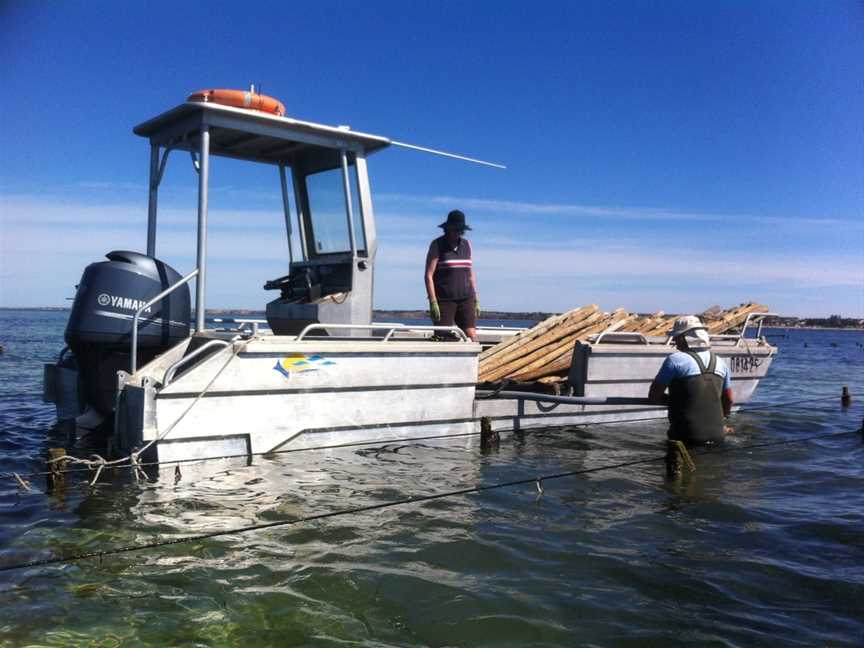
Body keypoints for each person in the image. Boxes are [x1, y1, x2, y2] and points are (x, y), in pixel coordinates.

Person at [648, 315, 734, 445]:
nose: (675, 341)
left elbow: (654, 396)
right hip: (718, 436)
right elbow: (729, 399)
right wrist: (723, 418)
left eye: (676, 337)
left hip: (685, 437)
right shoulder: (721, 363)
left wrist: (678, 402)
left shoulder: (675, 360)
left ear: (684, 338)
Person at [424, 210, 479, 342]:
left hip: (466, 297)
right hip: (444, 299)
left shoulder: (467, 245)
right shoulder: (437, 245)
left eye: (461, 230)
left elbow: (470, 273)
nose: (458, 233)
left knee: (471, 334)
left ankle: (477, 361)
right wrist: (433, 301)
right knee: (443, 336)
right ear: (447, 229)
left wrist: (476, 297)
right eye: (455, 229)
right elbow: (428, 275)